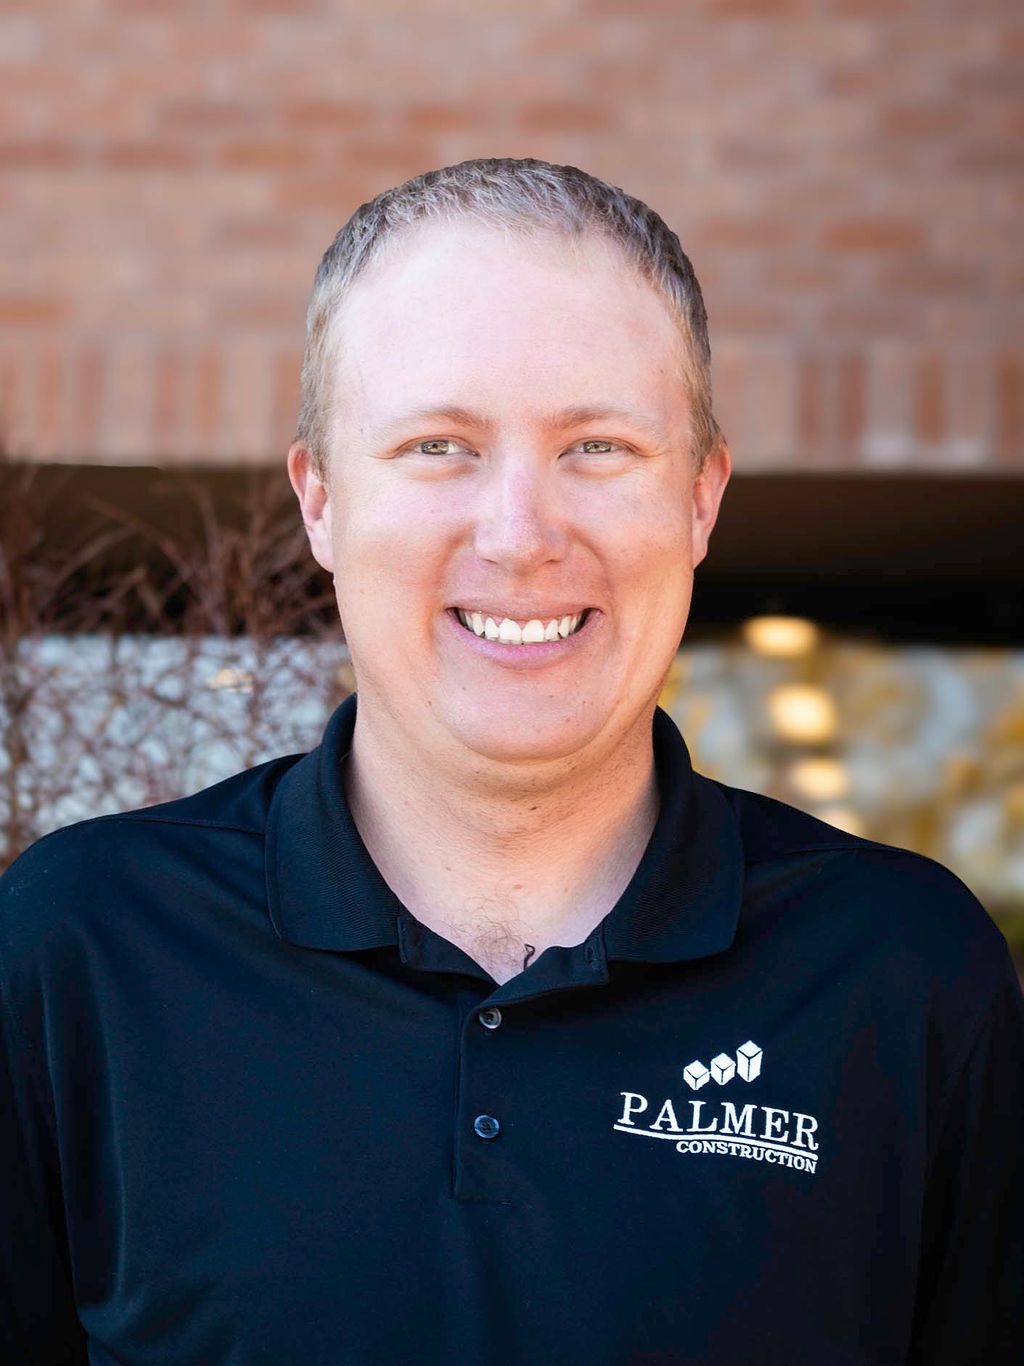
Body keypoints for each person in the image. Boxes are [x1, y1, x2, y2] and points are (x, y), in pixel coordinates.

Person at [1, 157, 1021, 1365]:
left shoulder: (900, 972)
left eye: (597, 447)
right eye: (439, 446)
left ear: (700, 497)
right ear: (320, 499)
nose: (520, 534)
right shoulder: (84, 947)